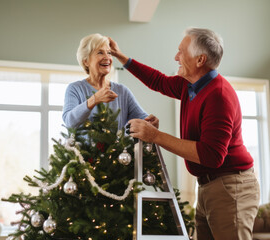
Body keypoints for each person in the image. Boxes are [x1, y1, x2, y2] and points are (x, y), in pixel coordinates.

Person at [109, 28, 260, 240]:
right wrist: (121, 57)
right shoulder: (190, 86)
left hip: (230, 187)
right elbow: (158, 81)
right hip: (209, 185)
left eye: (181, 52)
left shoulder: (218, 95)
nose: (176, 57)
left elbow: (211, 155)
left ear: (200, 60)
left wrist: (154, 136)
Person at [63, 33, 158, 130]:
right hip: (83, 146)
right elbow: (69, 122)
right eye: (100, 52)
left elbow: (142, 119)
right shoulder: (75, 89)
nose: (107, 57)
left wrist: (150, 122)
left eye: (109, 53)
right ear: (86, 61)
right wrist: (94, 99)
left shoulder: (122, 91)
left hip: (117, 146)